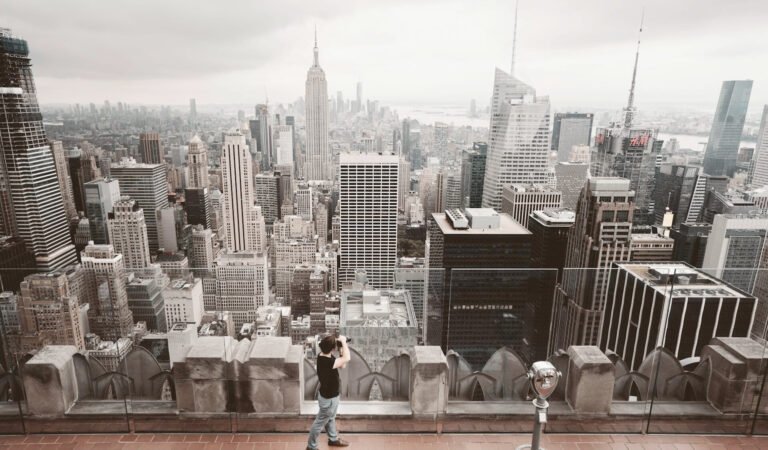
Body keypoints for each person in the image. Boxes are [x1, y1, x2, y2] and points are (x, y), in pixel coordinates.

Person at [306, 334, 351, 449]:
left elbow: (343, 365)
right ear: (332, 348)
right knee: (319, 423)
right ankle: (311, 446)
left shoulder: (322, 356)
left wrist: (340, 348)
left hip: (331, 395)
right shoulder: (329, 362)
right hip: (329, 399)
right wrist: (344, 342)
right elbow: (347, 359)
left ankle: (333, 439)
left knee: (330, 418)